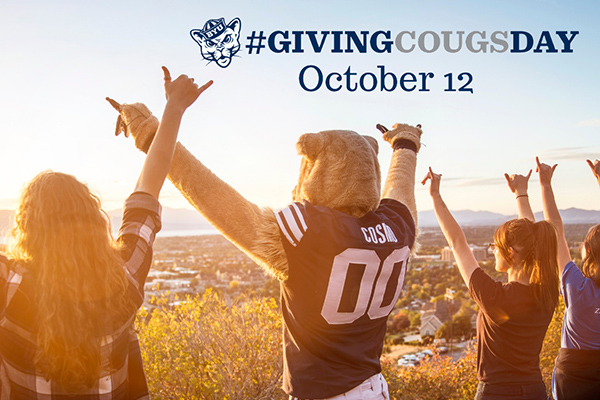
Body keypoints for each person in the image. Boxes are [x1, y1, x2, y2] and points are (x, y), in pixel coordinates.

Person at [0, 67, 211, 398]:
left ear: (27, 226)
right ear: (92, 218)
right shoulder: (125, 276)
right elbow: (148, 188)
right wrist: (174, 109)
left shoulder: (9, 285)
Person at [423, 166, 560, 400]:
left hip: (496, 392)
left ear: (510, 252)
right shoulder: (547, 293)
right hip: (535, 390)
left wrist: (435, 196)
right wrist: (521, 194)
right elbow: (532, 236)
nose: (492, 251)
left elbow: (457, 242)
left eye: (495, 247)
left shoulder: (494, 296)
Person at [526, 157, 600, 400]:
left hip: (573, 378)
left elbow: (555, 229)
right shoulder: (576, 286)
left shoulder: (576, 287)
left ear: (587, 251)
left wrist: (545, 185)